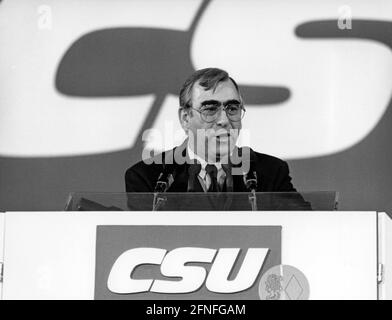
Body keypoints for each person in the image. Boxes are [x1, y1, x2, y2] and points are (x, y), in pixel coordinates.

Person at [125, 68, 296, 193]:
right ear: (185, 118)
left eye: (232, 108)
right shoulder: (149, 177)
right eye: (210, 109)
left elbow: (304, 229)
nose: (224, 120)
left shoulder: (271, 172)